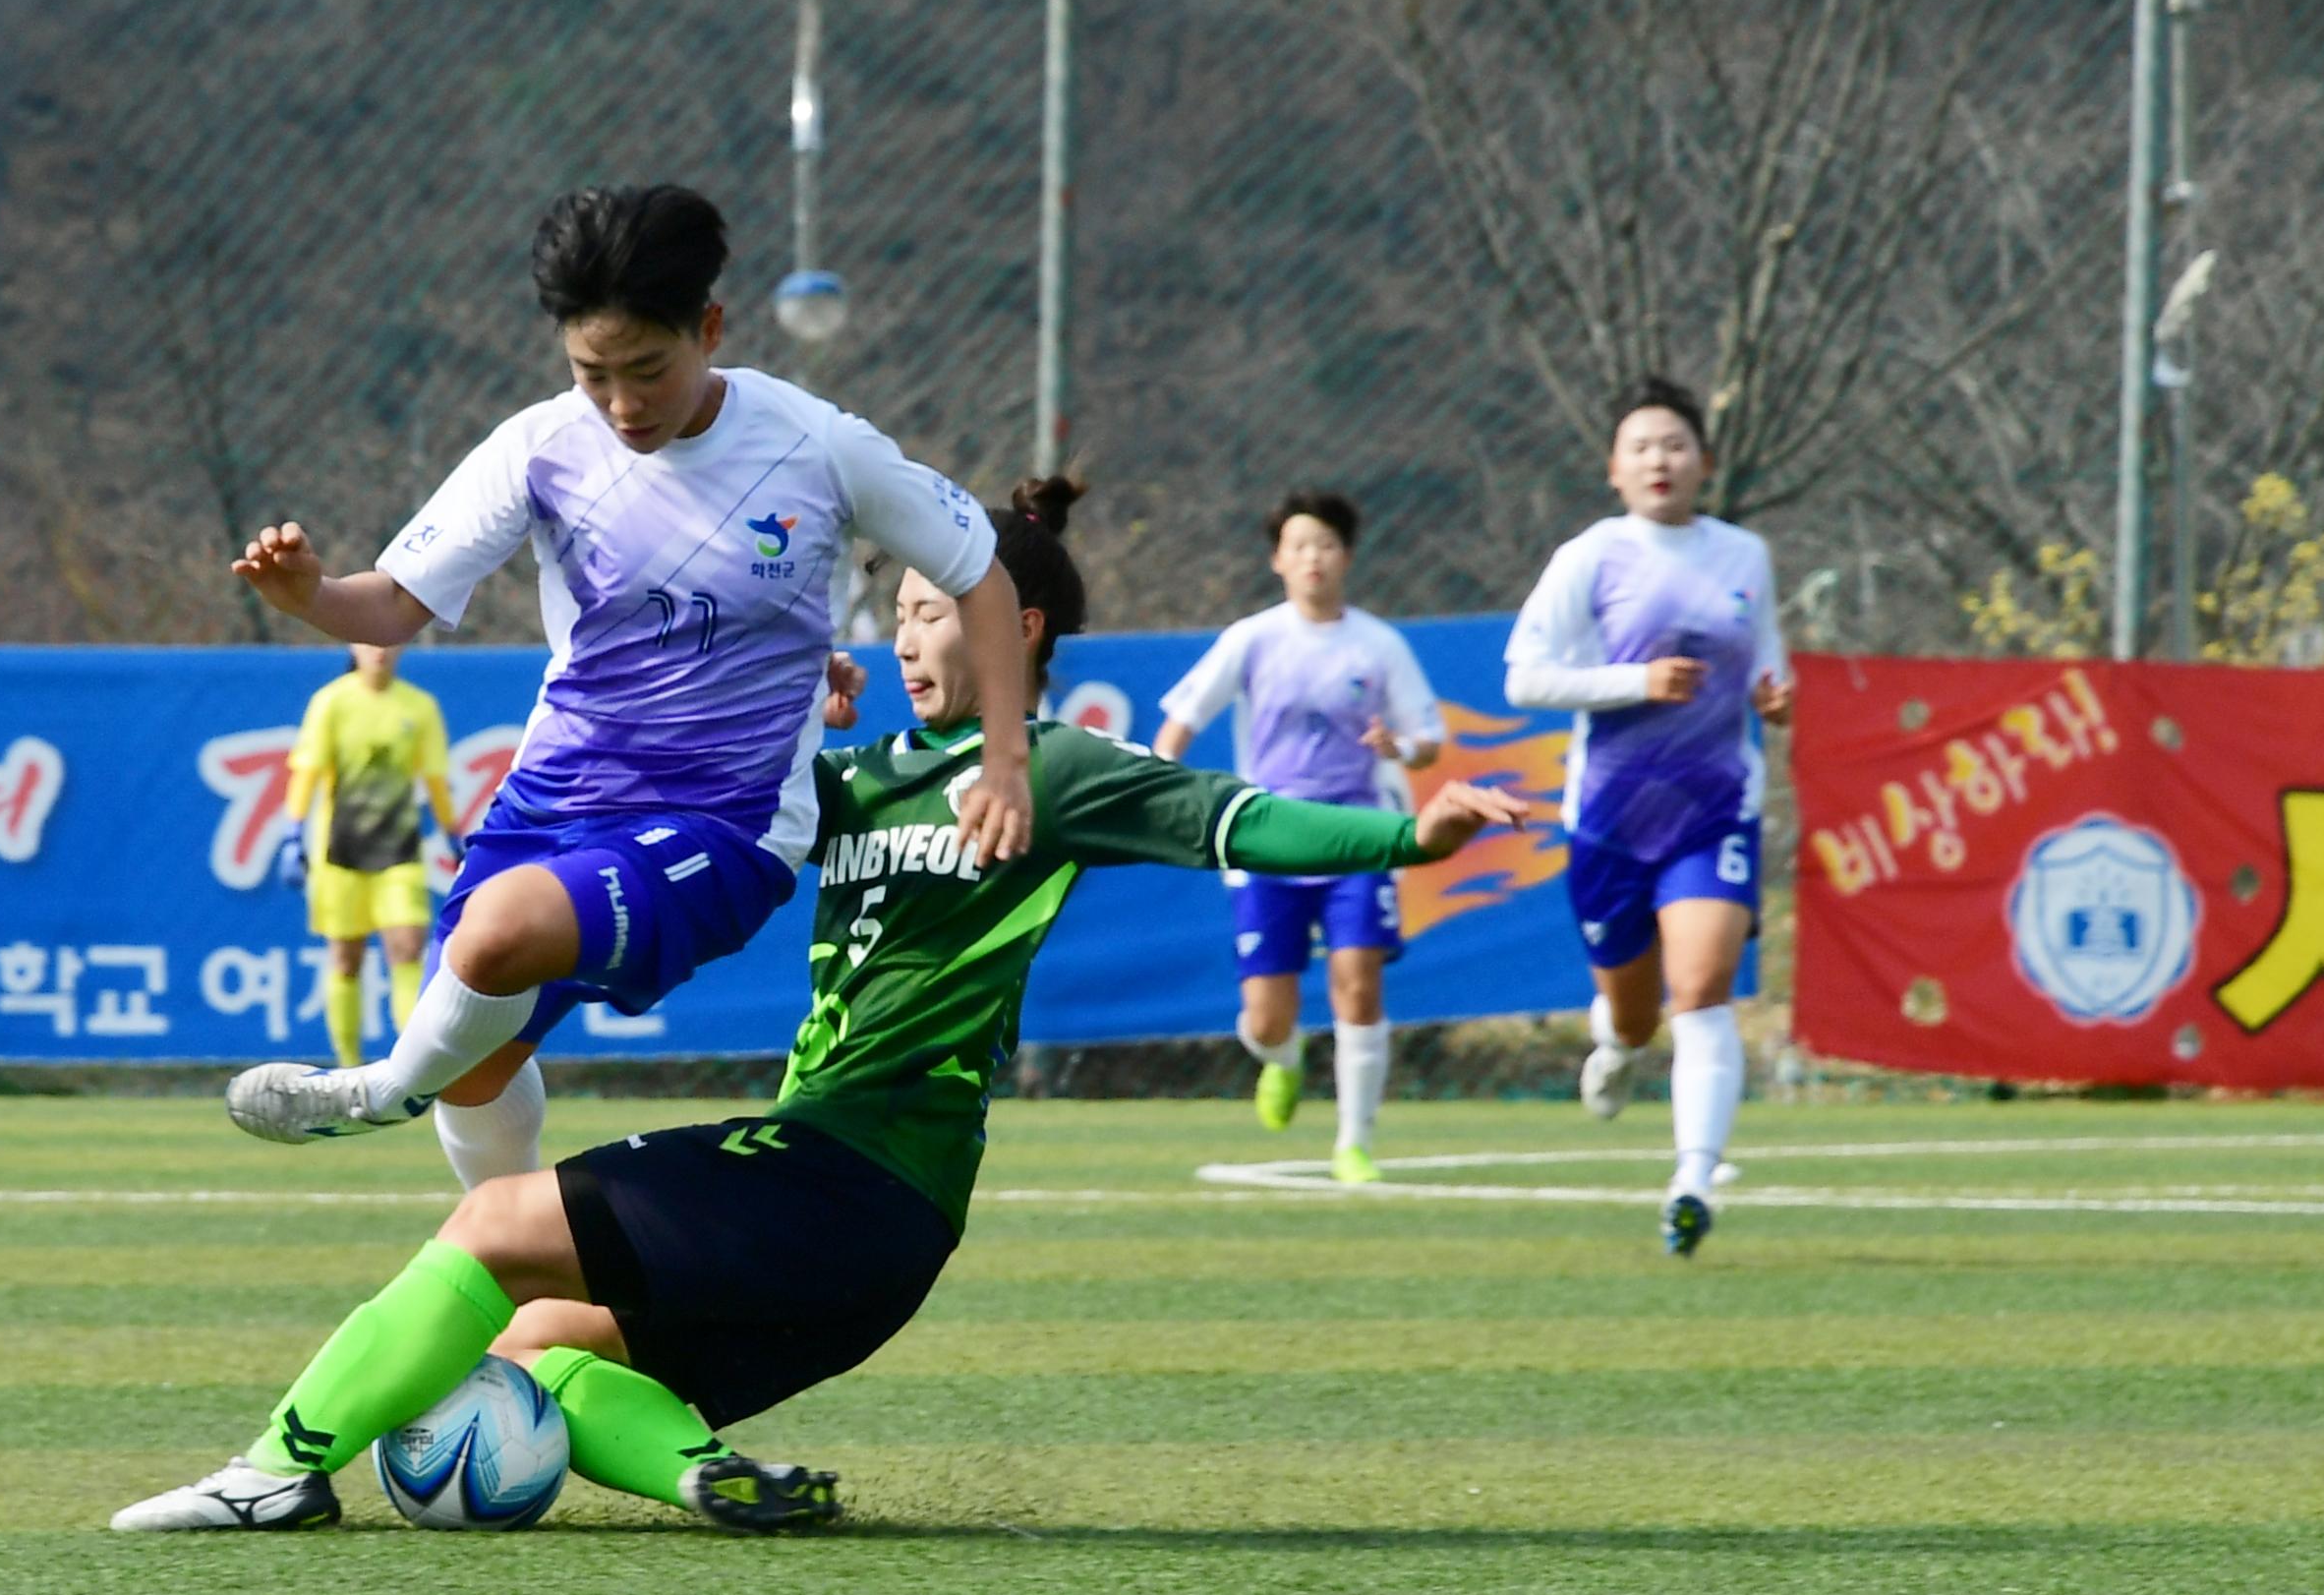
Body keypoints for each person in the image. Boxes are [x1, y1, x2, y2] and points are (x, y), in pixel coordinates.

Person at [115, 477, 1532, 1531]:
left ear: (1013, 625)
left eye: (932, 611)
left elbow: (1249, 820)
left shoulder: (1057, 768)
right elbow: (723, 803)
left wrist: (1408, 839)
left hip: (854, 1174)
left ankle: (274, 1474)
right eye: (899, 614)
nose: (911, 639)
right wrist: (791, 715)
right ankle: (712, 1475)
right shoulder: (852, 784)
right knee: (527, 1346)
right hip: (870, 1246)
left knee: (490, 1227)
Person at [220, 183, 1032, 1196]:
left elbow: (977, 571)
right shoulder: (540, 447)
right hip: (554, 799)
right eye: (591, 373)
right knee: (480, 1067)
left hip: (724, 823)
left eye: (647, 370)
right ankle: (513, 1293)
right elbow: (389, 606)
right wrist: (310, 595)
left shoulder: (817, 447)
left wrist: (1005, 761)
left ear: (711, 327)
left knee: (496, 935)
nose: (621, 404)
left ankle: (381, 1089)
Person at [1504, 376, 1792, 1257]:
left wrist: (1780, 697)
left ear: (1704, 462)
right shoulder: (1592, 555)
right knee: (1633, 1015)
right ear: (1614, 470)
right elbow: (1524, 676)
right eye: (1641, 447)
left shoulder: (1745, 554)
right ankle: (1617, 1046)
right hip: (1610, 822)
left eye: (1675, 444)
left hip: (1712, 812)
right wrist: (1636, 682)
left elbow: (1767, 663)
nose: (1659, 460)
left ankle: (1691, 1180)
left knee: (1701, 991)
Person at [1158, 488, 1444, 1182]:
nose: (1313, 559)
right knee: (1266, 1017)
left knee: (1358, 986)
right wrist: (1157, 784)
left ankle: (1354, 1143)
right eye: (1298, 546)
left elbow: (1431, 741)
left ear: (1346, 557)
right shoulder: (1253, 638)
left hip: (1358, 835)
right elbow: (1184, 717)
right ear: (1278, 560)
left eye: (1325, 545)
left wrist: (1398, 746)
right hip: (1268, 838)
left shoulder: (1378, 645)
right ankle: (1281, 1061)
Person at [279, 643, 458, 1068]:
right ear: (352, 646)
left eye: (387, 639)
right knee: (345, 957)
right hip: (340, 852)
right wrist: (292, 835)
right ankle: (348, 1064)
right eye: (368, 640)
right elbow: (306, 774)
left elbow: (435, 778)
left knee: (407, 947)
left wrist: (454, 835)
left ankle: (414, 1065)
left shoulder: (419, 706)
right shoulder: (331, 702)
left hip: (398, 851)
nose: (379, 649)